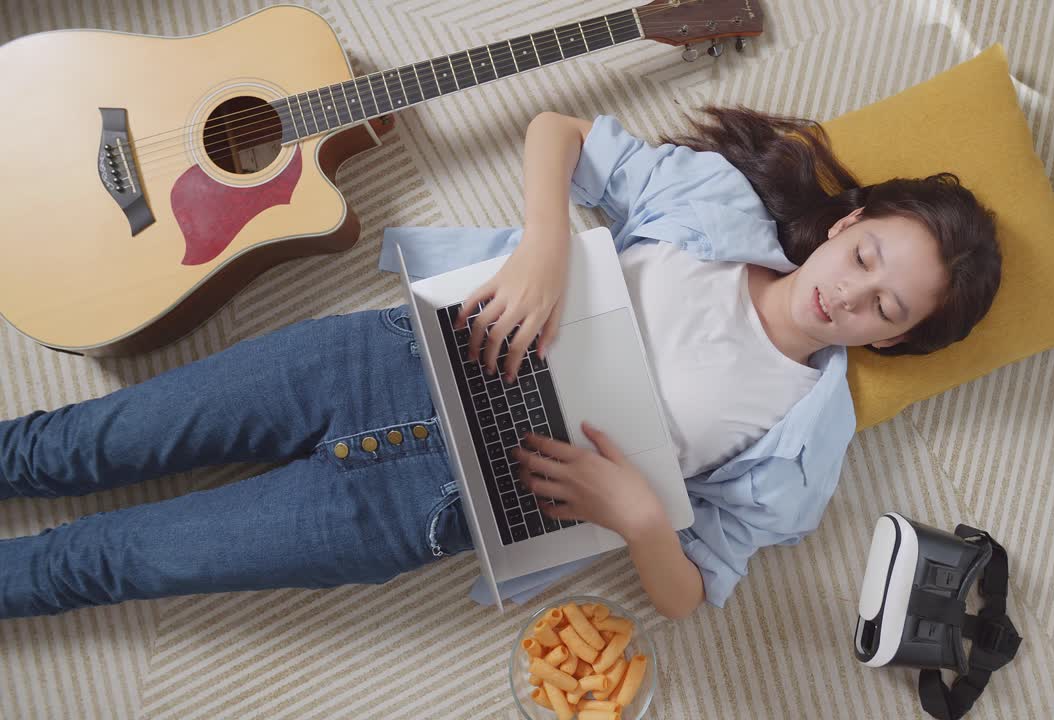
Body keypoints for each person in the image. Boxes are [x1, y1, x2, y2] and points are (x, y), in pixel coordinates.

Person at [0, 106, 1000, 620]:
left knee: (106, 561)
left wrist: (643, 518)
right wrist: (547, 245)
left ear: (893, 340)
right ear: (850, 221)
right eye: (865, 257)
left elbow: (687, 594)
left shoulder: (801, 449)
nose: (851, 294)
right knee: (68, 445)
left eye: (886, 309)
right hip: (376, 364)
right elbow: (556, 132)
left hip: (426, 508)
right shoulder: (715, 208)